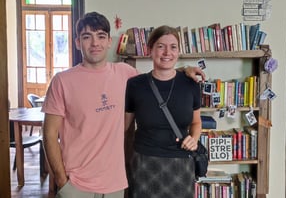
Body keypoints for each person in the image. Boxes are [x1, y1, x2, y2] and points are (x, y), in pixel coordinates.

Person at [42, 12, 205, 198]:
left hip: (115, 184)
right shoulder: (62, 81)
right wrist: (62, 181)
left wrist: (183, 71)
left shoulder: (127, 75)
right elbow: (49, 134)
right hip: (76, 184)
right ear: (78, 42)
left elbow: (159, 77)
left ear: (109, 41)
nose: (95, 43)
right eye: (87, 37)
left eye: (101, 36)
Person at [125, 25, 202, 198]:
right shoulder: (135, 85)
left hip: (181, 163)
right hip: (144, 162)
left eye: (173, 47)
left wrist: (194, 139)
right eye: (161, 46)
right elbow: (124, 126)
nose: (167, 52)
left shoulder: (191, 84)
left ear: (178, 51)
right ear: (150, 50)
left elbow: (196, 122)